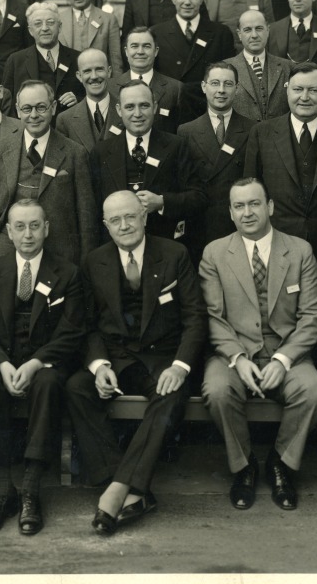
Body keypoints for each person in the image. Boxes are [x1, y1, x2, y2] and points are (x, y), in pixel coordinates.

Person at [66, 191, 206, 534]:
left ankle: (115, 491)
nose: (124, 225)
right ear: (106, 226)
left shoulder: (174, 253)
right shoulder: (93, 261)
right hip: (117, 357)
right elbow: (88, 325)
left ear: (144, 216)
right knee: (77, 388)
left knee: (170, 394)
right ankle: (129, 487)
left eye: (130, 216)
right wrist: (99, 365)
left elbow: (195, 318)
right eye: (115, 220)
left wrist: (179, 366)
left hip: (162, 358)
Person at [199, 178, 317, 512]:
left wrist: (283, 360)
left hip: (287, 351)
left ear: (270, 207)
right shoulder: (215, 253)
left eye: (254, 204)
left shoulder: (299, 250)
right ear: (230, 213)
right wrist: (238, 358)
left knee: (314, 392)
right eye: (239, 206)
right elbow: (212, 316)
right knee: (217, 391)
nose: (247, 213)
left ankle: (280, 463)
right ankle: (244, 466)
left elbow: (312, 315)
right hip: (232, 352)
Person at [0, 200, 86, 535]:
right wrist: (2, 364)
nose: (28, 234)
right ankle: (2, 488)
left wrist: (34, 363)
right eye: (20, 226)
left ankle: (31, 489)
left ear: (47, 228)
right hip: (1, 360)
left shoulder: (68, 272)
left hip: (44, 361)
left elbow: (72, 331)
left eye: (35, 225)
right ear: (8, 231)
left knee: (48, 383)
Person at [244, 61, 317, 269]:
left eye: (313, 90)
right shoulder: (262, 133)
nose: (305, 97)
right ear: (287, 90)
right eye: (298, 89)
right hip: (277, 246)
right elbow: (252, 193)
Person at [0, 80, 97, 265]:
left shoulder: (75, 153)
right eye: (27, 108)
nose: (33, 115)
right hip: (5, 255)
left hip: (60, 257)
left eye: (41, 107)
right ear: (17, 110)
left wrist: (83, 264)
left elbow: (86, 216)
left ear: (53, 108)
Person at [90, 80, 207, 247]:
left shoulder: (176, 146)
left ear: (155, 107)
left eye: (144, 106)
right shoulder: (101, 152)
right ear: (119, 110)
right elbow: (93, 208)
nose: (137, 114)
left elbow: (198, 197)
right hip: (117, 247)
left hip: (165, 246)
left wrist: (162, 202)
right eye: (130, 107)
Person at [178, 61, 254, 260]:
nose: (221, 90)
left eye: (228, 84)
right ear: (204, 87)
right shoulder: (186, 131)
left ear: (237, 88)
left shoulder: (253, 129)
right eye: (215, 83)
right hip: (201, 226)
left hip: (238, 223)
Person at [150, 0, 236, 122]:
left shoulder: (221, 33)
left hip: (207, 114)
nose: (187, 2)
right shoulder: (156, 33)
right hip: (169, 114)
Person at [2, 1, 84, 121]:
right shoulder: (15, 61)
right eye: (38, 24)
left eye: (50, 22)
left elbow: (93, 97)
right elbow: (7, 104)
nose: (45, 28)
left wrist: (79, 100)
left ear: (60, 27)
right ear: (30, 30)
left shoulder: (78, 59)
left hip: (70, 127)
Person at [107, 27, 182, 134]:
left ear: (156, 51)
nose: (140, 52)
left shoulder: (176, 89)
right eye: (134, 46)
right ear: (126, 51)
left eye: (146, 46)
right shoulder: (109, 87)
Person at [227, 9, 293, 123]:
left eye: (259, 28)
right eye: (247, 30)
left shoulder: (287, 67)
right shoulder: (226, 68)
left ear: (268, 30)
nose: (254, 35)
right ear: (239, 34)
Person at [55, 49, 125, 152]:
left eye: (99, 69)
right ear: (79, 76)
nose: (94, 76)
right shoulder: (65, 120)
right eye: (87, 71)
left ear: (109, 72)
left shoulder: (127, 111)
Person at [58, 0, 123, 76]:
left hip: (99, 81)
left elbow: (116, 61)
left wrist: (117, 84)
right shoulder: (58, 20)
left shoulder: (108, 20)